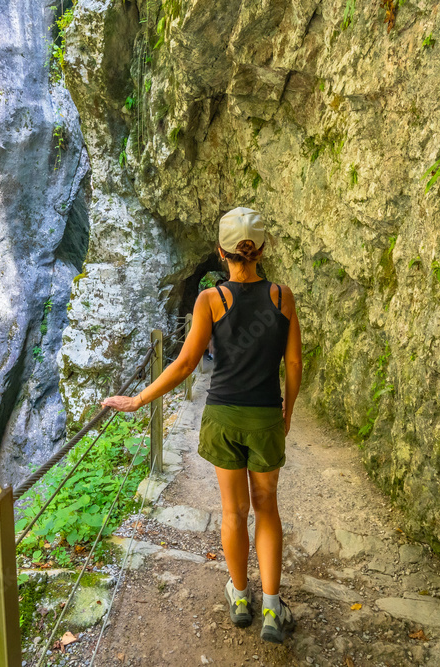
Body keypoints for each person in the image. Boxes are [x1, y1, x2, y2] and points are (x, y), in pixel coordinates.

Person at [102, 207, 303, 644]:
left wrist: (138, 399)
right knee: (267, 507)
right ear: (262, 250)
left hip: (223, 418)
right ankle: (272, 608)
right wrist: (286, 414)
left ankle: (240, 598)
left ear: (221, 252)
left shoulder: (211, 299)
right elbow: (292, 362)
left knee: (234, 512)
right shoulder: (282, 297)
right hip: (266, 414)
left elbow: (186, 363)